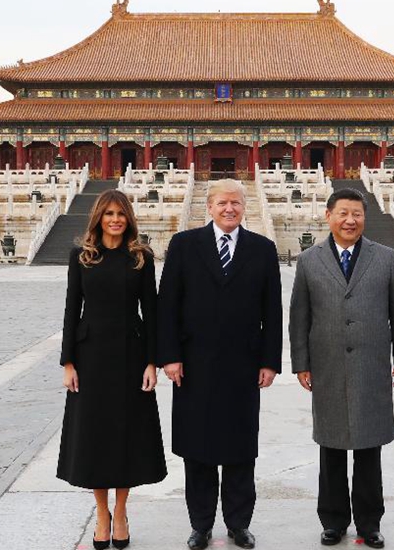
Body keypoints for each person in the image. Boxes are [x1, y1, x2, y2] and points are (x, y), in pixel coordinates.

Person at [157, 179, 283, 550]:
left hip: (243, 365)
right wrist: (169, 356)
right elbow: (168, 305)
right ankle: (201, 524)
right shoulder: (184, 245)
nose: (230, 209)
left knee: (241, 449)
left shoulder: (262, 249)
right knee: (198, 449)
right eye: (223, 203)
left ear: (244, 207)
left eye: (236, 203)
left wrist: (269, 361)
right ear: (208, 207)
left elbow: (271, 311)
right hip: (193, 365)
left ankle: (239, 523)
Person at [289, 187, 394, 549]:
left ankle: (369, 522)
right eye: (342, 213)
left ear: (364, 217)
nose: (350, 220)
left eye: (357, 213)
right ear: (328, 216)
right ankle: (333, 520)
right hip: (326, 365)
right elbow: (300, 316)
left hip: (371, 365)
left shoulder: (385, 257)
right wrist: (301, 362)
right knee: (330, 447)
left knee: (368, 448)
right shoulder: (310, 260)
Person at [58, 189, 167, 550]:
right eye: (108, 214)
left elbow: (151, 312)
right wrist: (68, 362)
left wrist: (152, 361)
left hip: (131, 356)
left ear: (129, 218)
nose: (115, 219)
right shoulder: (82, 257)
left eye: (121, 213)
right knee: (94, 438)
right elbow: (72, 309)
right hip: (90, 359)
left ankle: (121, 511)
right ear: (98, 218)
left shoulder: (141, 257)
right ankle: (101, 513)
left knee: (127, 438)